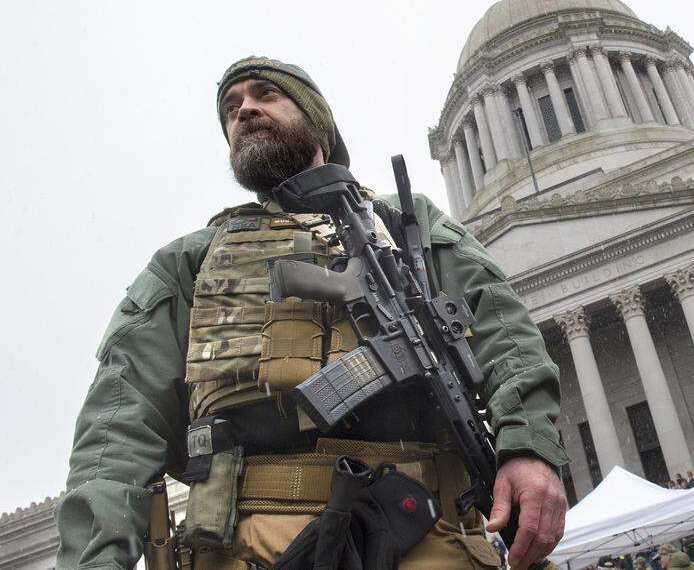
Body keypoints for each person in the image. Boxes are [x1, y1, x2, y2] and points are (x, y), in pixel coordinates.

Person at [53, 57, 567, 570]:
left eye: (265, 94)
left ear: (317, 120)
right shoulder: (188, 261)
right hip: (240, 544)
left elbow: (502, 330)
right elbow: (119, 427)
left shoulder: (401, 225)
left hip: (422, 531)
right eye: (230, 109)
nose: (244, 111)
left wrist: (529, 448)